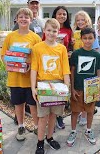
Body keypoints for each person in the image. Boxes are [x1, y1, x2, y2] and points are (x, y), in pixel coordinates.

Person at [0, 8, 42, 141]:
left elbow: (39, 56)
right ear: (16, 19)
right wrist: (7, 64)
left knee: (33, 105)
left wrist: (31, 64)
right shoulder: (10, 36)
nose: (24, 19)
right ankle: (21, 126)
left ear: (31, 20)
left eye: (26, 17)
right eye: (21, 17)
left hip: (30, 80)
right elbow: (3, 54)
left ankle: (36, 126)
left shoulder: (35, 38)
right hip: (15, 78)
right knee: (18, 104)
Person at [30, 18, 71, 154]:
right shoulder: (37, 48)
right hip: (43, 85)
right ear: (44, 31)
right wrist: (33, 88)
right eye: (49, 30)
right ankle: (40, 141)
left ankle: (50, 137)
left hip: (58, 86)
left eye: (54, 31)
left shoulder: (62, 49)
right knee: (43, 116)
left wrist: (67, 88)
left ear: (58, 32)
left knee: (54, 114)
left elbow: (65, 70)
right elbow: (34, 69)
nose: (52, 33)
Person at [66, 27, 100, 147]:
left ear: (94, 39)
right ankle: (73, 131)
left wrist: (99, 89)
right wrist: (72, 89)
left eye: (90, 38)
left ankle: (88, 130)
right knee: (75, 111)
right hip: (77, 88)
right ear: (81, 39)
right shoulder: (76, 53)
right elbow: (72, 72)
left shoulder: (96, 55)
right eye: (85, 38)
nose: (87, 41)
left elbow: (98, 73)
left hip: (91, 89)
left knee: (90, 111)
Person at [42, 6, 73, 130]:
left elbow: (69, 47)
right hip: (49, 65)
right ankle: (50, 122)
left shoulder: (69, 30)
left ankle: (58, 117)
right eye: (59, 14)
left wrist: (70, 51)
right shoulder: (50, 29)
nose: (62, 16)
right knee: (50, 94)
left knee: (60, 92)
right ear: (55, 15)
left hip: (62, 64)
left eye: (64, 14)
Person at [71, 10, 99, 126]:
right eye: (78, 20)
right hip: (78, 67)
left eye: (83, 19)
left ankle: (84, 116)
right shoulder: (75, 34)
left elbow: (95, 51)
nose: (80, 22)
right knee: (79, 94)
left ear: (87, 20)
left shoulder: (92, 34)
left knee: (88, 94)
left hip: (89, 68)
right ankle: (79, 115)